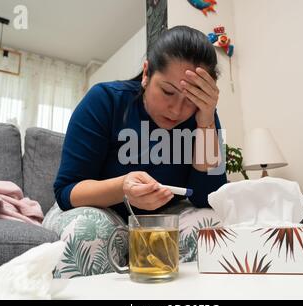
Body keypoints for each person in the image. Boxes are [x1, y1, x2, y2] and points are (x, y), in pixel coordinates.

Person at [43, 25, 227, 279]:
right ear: (146, 73)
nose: (176, 110)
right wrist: (123, 188)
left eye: (191, 99)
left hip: (164, 218)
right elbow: (67, 191)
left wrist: (206, 119)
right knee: (88, 233)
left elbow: (209, 197)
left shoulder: (203, 117)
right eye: (167, 92)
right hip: (98, 209)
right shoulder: (104, 100)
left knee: (212, 226)